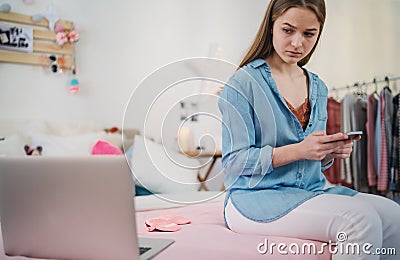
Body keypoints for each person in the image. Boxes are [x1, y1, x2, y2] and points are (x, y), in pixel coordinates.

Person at [218, 0, 400, 259]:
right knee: (360, 219)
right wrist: (299, 150)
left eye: (308, 34)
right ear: (271, 26)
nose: (297, 44)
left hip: (310, 191)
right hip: (255, 199)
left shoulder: (318, 86)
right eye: (288, 30)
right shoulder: (242, 84)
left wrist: (328, 152)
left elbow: (312, 165)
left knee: (393, 214)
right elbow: (234, 163)